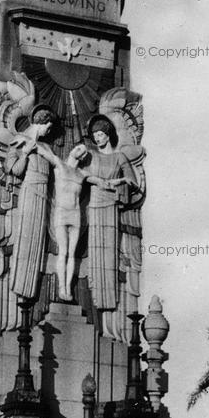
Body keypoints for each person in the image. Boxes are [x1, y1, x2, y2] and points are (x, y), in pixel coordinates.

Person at [36, 142, 115, 301]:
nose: (79, 151)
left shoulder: (82, 174)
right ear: (72, 150)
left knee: (71, 254)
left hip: (75, 215)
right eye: (78, 148)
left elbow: (103, 183)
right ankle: (62, 287)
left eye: (83, 151)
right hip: (61, 213)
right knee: (63, 252)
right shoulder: (59, 164)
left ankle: (68, 289)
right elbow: (42, 151)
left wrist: (122, 180)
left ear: (83, 156)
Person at [85, 116, 138, 310]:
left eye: (100, 134)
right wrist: (96, 180)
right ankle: (96, 295)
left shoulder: (119, 157)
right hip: (95, 203)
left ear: (108, 135)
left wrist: (119, 182)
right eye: (95, 135)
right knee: (95, 249)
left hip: (111, 205)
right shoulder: (91, 155)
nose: (97, 138)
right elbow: (80, 174)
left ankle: (108, 298)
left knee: (109, 251)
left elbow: (132, 181)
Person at [5, 104, 58, 299]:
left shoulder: (45, 147)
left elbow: (56, 166)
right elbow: (15, 171)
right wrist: (26, 152)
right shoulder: (19, 140)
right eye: (48, 126)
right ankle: (20, 287)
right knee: (26, 237)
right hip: (30, 192)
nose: (49, 131)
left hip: (44, 195)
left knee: (37, 241)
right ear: (42, 123)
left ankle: (30, 290)